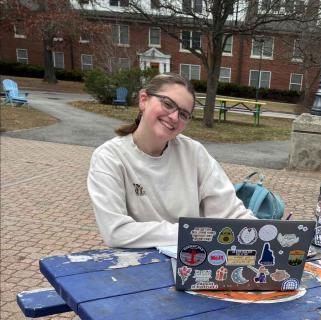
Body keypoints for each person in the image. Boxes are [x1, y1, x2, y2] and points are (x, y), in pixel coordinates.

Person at [87, 73, 255, 248]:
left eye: (183, 114)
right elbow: (116, 232)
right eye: (168, 104)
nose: (174, 117)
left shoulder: (194, 153)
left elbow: (230, 212)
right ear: (143, 100)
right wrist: (194, 232)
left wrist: (267, 233)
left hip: (192, 264)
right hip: (134, 268)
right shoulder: (109, 158)